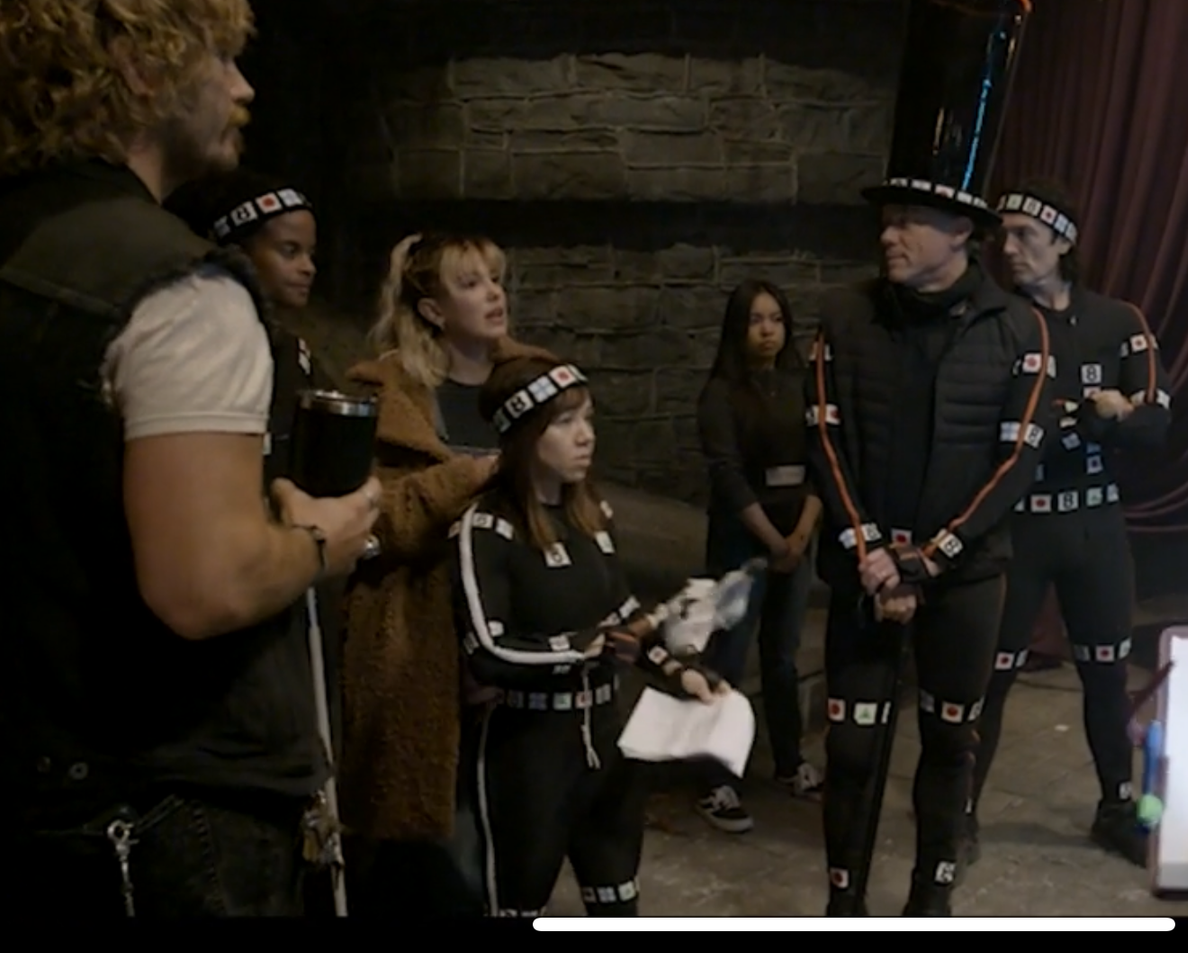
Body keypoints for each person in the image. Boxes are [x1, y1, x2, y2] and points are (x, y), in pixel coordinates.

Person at [0, 0, 382, 917]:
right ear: (145, 71)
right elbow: (207, 585)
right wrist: (326, 535)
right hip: (161, 808)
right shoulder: (178, 287)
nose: (243, 88)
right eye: (220, 57)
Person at [806, 0, 1056, 917]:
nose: (889, 234)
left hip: (966, 579)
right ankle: (844, 904)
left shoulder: (1017, 329)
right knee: (853, 746)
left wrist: (929, 558)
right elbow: (825, 443)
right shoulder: (844, 317)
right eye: (886, 217)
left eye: (909, 219)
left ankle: (929, 901)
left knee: (952, 743)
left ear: (962, 231)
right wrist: (873, 552)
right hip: (862, 569)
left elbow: (1016, 462)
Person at [452, 356, 732, 917]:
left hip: (607, 743)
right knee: (516, 905)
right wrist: (583, 648)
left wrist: (679, 670)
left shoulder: (594, 517)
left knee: (617, 905)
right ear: (525, 434)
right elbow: (486, 648)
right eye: (565, 422)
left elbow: (624, 615)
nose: (586, 436)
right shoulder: (487, 528)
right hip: (529, 753)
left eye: (589, 419)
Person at [338, 232, 553, 916]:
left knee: (515, 851)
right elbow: (368, 522)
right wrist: (472, 476)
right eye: (471, 283)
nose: (494, 294)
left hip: (521, 639)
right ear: (431, 309)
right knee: (432, 861)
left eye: (496, 278)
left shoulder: (537, 383)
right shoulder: (387, 393)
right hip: (419, 645)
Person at [966, 184, 1171, 867]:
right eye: (1002, 235)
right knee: (991, 676)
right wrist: (1093, 414)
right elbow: (997, 434)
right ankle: (957, 811)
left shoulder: (1118, 320)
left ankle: (1117, 807)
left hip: (1094, 525)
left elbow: (1155, 424)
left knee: (1106, 673)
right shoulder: (995, 321)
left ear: (1063, 241)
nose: (1009, 248)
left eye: (1025, 234)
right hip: (1018, 527)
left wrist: (1096, 418)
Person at [161, 169, 348, 909]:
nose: (307, 268)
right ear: (236, 253)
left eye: (311, 253)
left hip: (299, 577)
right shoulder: (207, 346)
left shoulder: (297, 355)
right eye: (287, 251)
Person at [692, 279, 826, 834]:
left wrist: (800, 535)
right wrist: (772, 541)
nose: (768, 330)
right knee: (728, 657)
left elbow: (823, 461)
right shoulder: (722, 394)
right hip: (742, 541)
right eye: (755, 320)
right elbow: (728, 477)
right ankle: (715, 779)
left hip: (797, 534)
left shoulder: (802, 386)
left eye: (776, 318)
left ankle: (789, 762)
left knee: (782, 656)